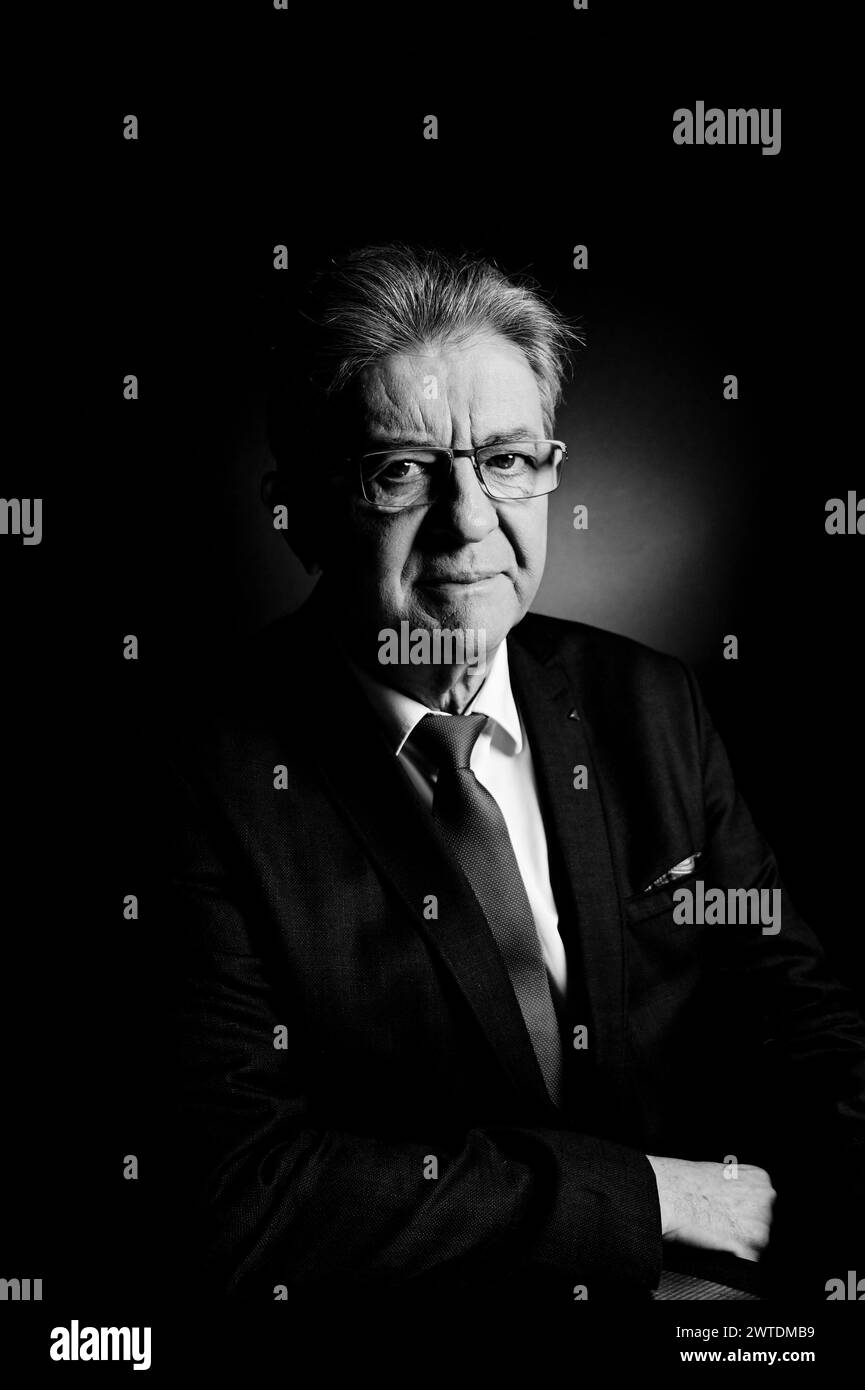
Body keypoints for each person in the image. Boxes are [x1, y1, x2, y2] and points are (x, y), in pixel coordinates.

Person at [164, 244, 865, 1308]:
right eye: (399, 470)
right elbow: (237, 1195)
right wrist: (642, 1200)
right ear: (299, 509)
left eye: (503, 459)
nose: (469, 521)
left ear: (547, 468)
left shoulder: (648, 703)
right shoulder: (198, 782)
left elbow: (804, 1023)